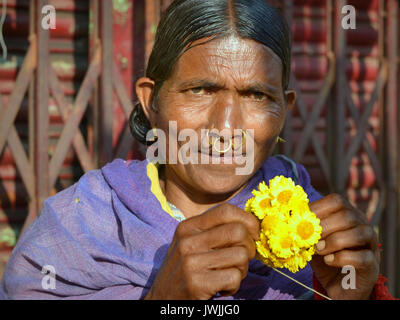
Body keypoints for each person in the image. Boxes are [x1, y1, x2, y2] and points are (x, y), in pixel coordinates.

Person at [0, 0, 393, 300]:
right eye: (200, 90)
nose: (225, 128)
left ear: (284, 111)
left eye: (256, 95)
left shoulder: (315, 230)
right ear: (151, 100)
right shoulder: (79, 226)